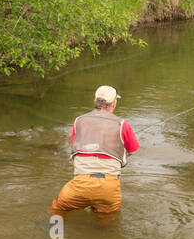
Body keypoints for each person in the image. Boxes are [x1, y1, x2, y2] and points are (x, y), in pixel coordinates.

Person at [50, 86, 139, 221]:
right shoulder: (123, 124)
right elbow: (132, 150)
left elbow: (74, 146)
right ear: (114, 104)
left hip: (80, 184)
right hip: (109, 188)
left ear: (95, 101)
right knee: (105, 222)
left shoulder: (79, 121)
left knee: (57, 209)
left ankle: (54, 235)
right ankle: (102, 237)